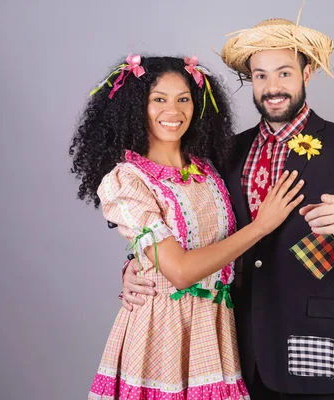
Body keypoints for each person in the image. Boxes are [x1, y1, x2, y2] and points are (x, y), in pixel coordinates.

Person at [123, 16, 334, 400]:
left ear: (307, 73)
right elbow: (191, 229)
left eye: (284, 73)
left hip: (318, 348)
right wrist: (137, 266)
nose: (272, 88)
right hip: (235, 350)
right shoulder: (226, 152)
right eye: (260, 76)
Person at [69, 53, 305, 400]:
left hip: (215, 329)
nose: (173, 111)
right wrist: (260, 227)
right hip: (162, 331)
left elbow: (184, 245)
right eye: (158, 99)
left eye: (183, 99)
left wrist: (138, 262)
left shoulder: (208, 168)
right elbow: (179, 272)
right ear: (136, 107)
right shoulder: (128, 181)